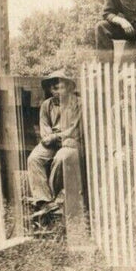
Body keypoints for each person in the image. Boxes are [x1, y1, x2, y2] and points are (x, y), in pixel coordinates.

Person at [26, 70, 82, 209]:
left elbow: (75, 129)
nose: (56, 91)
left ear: (69, 87)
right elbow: (44, 126)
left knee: (61, 158)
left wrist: (56, 137)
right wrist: (48, 138)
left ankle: (56, 198)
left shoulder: (78, 104)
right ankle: (43, 200)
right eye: (53, 88)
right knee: (34, 158)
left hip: (72, 142)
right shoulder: (47, 105)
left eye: (60, 87)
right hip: (52, 141)